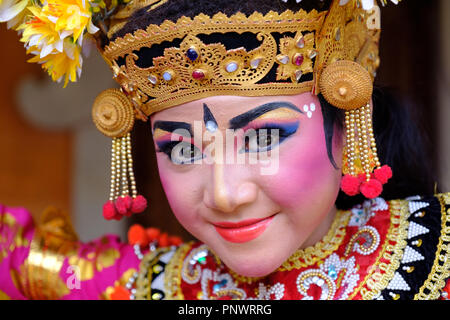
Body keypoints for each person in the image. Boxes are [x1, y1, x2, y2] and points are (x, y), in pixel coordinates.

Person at [0, 0, 449, 300]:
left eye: (263, 139)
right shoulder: (141, 286)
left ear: (347, 121)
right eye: (180, 148)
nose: (224, 195)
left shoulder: (438, 255)